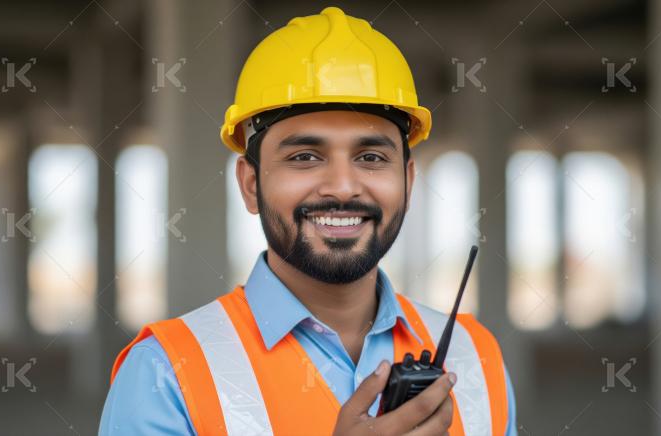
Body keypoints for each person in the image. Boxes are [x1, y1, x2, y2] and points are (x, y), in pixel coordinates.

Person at [100, 6, 517, 435]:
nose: (341, 187)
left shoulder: (475, 356)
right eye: (304, 157)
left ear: (408, 182)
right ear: (250, 183)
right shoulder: (164, 374)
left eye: (371, 157)